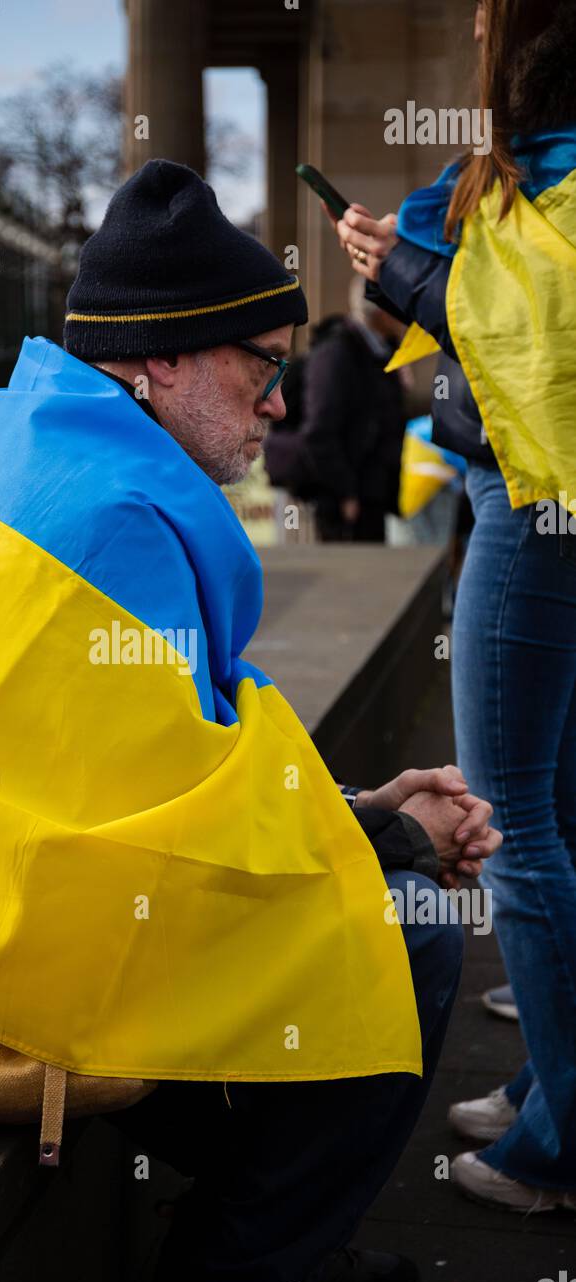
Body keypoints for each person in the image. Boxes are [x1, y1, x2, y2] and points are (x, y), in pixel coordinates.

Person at [0, 159, 502, 1282]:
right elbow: (168, 836)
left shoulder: (10, 448)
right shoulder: (119, 517)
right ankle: (241, 1276)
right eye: (261, 369)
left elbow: (124, 780)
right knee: (416, 938)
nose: (279, 404)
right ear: (162, 359)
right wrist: (384, 846)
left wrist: (358, 813)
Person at [326, 0, 576, 1213]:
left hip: (536, 501)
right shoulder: (524, 161)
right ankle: (547, 1089)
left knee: (513, 817)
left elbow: (537, 340)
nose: (470, 14)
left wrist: (411, 273)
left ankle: (558, 1141)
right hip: (533, 490)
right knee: (559, 808)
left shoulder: (549, 166)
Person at [263, 276, 408, 541]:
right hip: (346, 507)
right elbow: (319, 432)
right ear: (379, 311)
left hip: (372, 499)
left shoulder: (383, 353)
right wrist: (345, 493)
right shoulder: (337, 353)